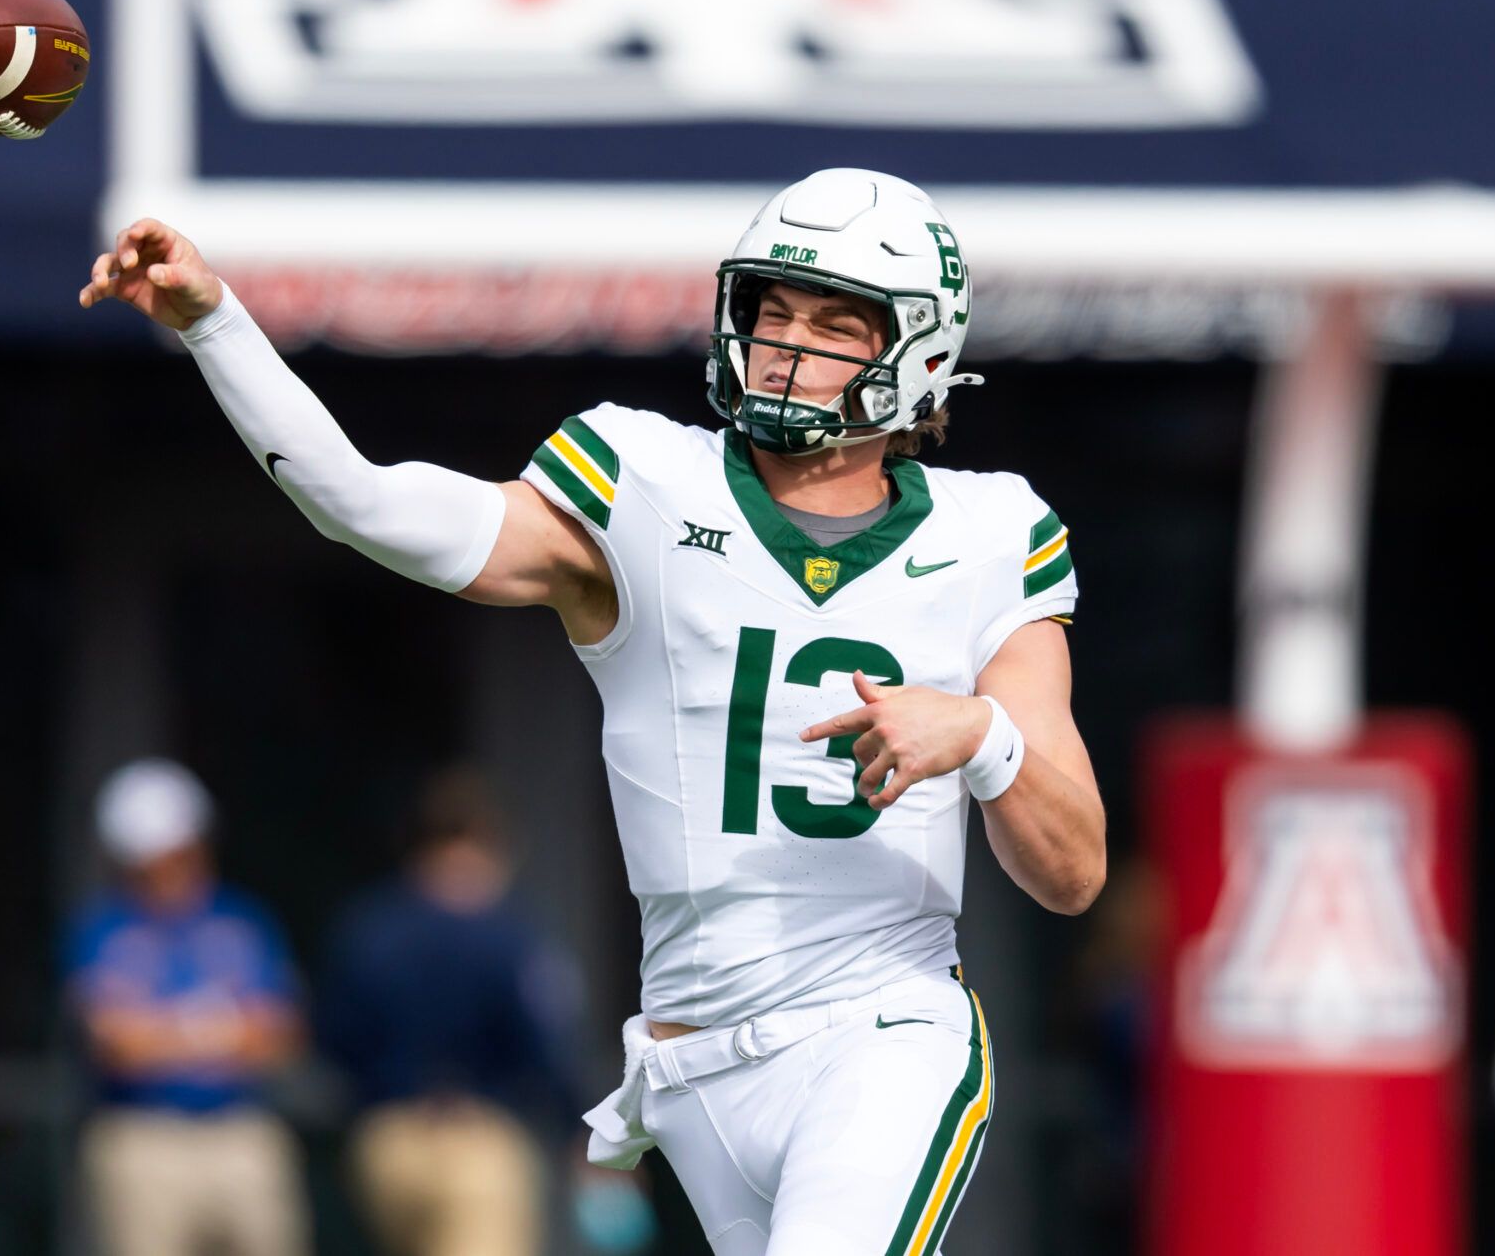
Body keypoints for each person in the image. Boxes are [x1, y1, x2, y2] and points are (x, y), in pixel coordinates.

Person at [79, 167, 1108, 1255]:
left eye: (837, 322)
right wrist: (216, 324)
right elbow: (364, 502)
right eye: (773, 309)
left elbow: (1072, 867)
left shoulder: (994, 532)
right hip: (695, 1067)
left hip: (883, 1034)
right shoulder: (645, 483)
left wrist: (983, 736)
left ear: (922, 353)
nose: (788, 344)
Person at [317, 764, 618, 1256]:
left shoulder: (368, 927)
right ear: (490, 838)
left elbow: (334, 1041)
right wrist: (589, 1138)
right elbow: (551, 1046)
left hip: (385, 1143)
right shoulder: (509, 933)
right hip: (479, 1142)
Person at [66, 758, 311, 1256]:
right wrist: (220, 1028)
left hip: (240, 1133)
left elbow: (279, 1035)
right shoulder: (103, 929)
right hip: (143, 1138)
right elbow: (117, 1045)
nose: (168, 866)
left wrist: (164, 1031)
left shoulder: (243, 921)